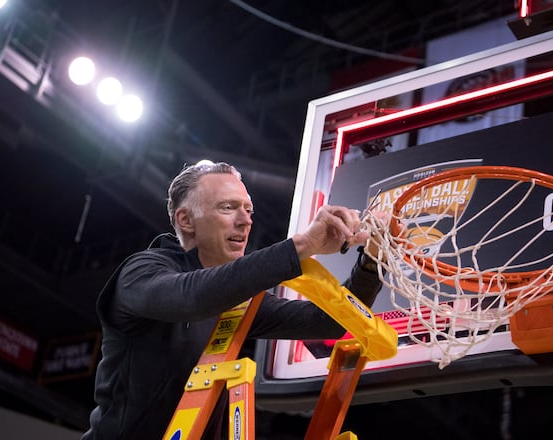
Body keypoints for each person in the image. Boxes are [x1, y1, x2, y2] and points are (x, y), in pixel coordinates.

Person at [82, 161, 383, 439]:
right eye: (228, 207)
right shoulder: (140, 273)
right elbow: (195, 297)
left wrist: (372, 261)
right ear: (186, 220)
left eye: (249, 210)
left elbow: (328, 322)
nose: (245, 221)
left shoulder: (235, 301)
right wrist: (302, 245)